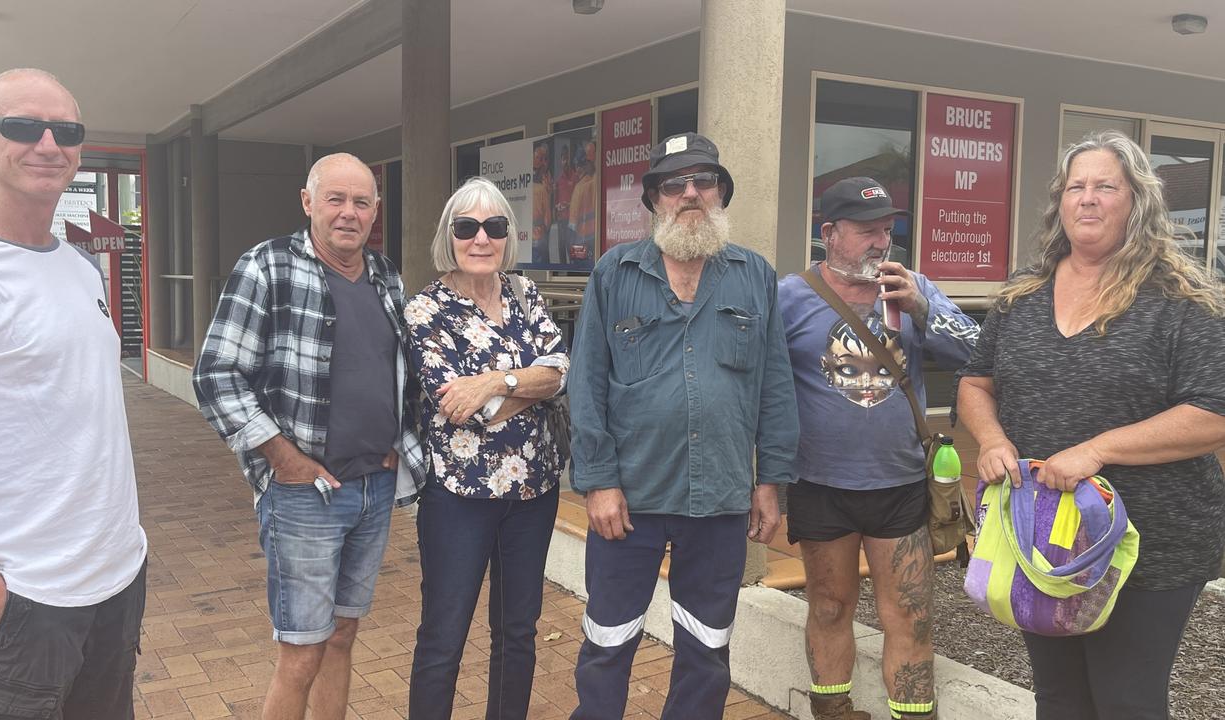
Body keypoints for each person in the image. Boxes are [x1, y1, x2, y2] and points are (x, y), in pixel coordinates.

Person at [956, 130, 1225, 720]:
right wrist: (993, 439)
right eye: (1077, 186)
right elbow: (975, 385)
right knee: (1060, 698)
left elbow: (1211, 415)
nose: (1089, 198)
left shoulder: (1183, 298)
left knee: (1126, 699)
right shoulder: (1021, 295)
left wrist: (1098, 450)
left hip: (1153, 543)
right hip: (1043, 534)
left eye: (1106, 186)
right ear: (1060, 202)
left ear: (1137, 201)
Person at [568, 132, 799, 719]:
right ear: (654, 200)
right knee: (608, 642)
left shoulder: (755, 276)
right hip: (629, 500)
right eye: (675, 184)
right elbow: (586, 384)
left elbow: (774, 386)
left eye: (703, 181)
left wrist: (770, 482)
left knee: (706, 649)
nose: (690, 193)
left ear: (720, 193)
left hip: (719, 497)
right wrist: (597, 482)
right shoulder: (613, 274)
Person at [192, 152, 427, 720]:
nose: (349, 213)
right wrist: (282, 456)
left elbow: (400, 371)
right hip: (306, 495)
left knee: (343, 636)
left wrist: (400, 442)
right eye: (336, 199)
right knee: (300, 652)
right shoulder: (267, 267)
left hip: (373, 487)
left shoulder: (385, 275)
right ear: (308, 203)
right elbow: (216, 373)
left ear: (376, 210)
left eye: (361, 202)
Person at [0, 68, 148, 719]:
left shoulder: (79, 265)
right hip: (19, 603)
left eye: (66, 130)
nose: (48, 143)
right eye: (24, 127)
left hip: (114, 583)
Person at [778, 177, 979, 720]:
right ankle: (833, 712)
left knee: (910, 615)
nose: (880, 242)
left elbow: (978, 353)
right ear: (829, 234)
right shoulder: (789, 296)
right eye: (866, 231)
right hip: (819, 484)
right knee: (827, 605)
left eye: (886, 230)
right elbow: (763, 390)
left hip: (899, 483)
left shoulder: (914, 286)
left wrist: (920, 307)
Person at [406, 176, 570, 719]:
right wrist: (528, 383)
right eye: (467, 227)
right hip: (459, 499)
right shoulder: (425, 312)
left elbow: (561, 372)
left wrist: (497, 382)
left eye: (494, 227)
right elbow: (464, 409)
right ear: (448, 236)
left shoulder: (525, 293)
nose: (481, 238)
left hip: (535, 491)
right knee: (443, 636)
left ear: (508, 235)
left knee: (518, 633)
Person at [568, 140, 598, 266]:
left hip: (582, 239)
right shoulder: (598, 181)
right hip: (595, 239)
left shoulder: (581, 187)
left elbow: (572, 224)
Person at [531, 141, 552, 264]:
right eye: (538, 158)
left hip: (537, 231)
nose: (541, 161)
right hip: (536, 232)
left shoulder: (546, 176)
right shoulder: (539, 186)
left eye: (544, 158)